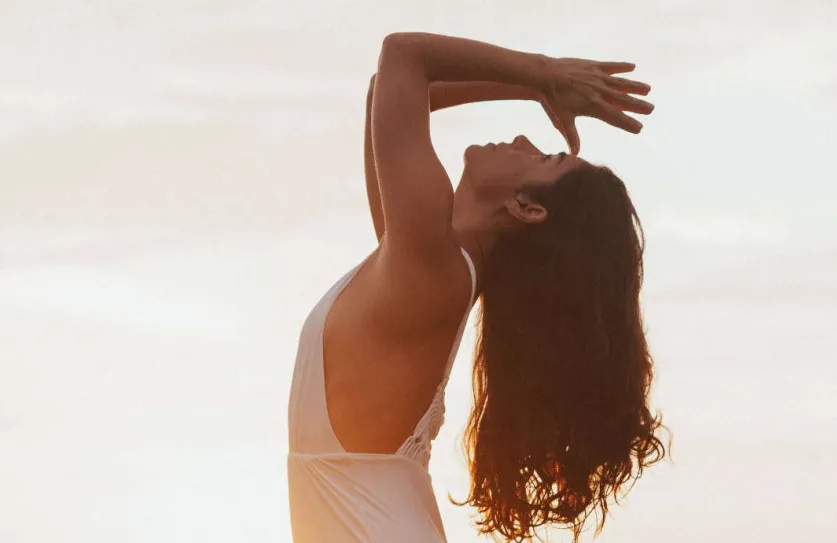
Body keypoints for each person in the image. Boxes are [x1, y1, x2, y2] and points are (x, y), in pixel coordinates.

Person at [287, 32, 670, 543]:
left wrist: (543, 73)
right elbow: (388, 91)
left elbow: (403, 55)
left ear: (527, 208)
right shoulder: (420, 269)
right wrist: (536, 89)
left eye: (545, 160)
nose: (523, 142)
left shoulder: (429, 271)